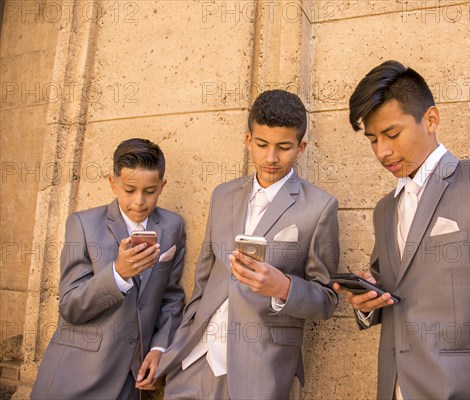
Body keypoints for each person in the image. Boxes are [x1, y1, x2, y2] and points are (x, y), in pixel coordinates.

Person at [333, 60, 470, 399]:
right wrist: (365, 303)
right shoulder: (384, 209)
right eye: (373, 140)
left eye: (392, 134)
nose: (383, 151)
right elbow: (392, 291)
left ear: (431, 119)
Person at [156, 89, 340, 400]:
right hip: (193, 360)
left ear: (301, 147)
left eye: (283, 147)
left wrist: (283, 287)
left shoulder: (320, 207)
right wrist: (179, 338)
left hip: (259, 371)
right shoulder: (222, 194)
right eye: (262, 144)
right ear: (247, 140)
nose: (271, 157)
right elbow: (204, 277)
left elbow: (326, 299)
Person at [31, 138, 186, 399]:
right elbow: (70, 306)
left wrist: (160, 348)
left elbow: (171, 296)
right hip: (77, 374)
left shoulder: (173, 226)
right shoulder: (82, 224)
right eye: (129, 190)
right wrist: (119, 274)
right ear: (113, 183)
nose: (139, 201)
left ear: (162, 185)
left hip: (131, 378)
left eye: (149, 191)